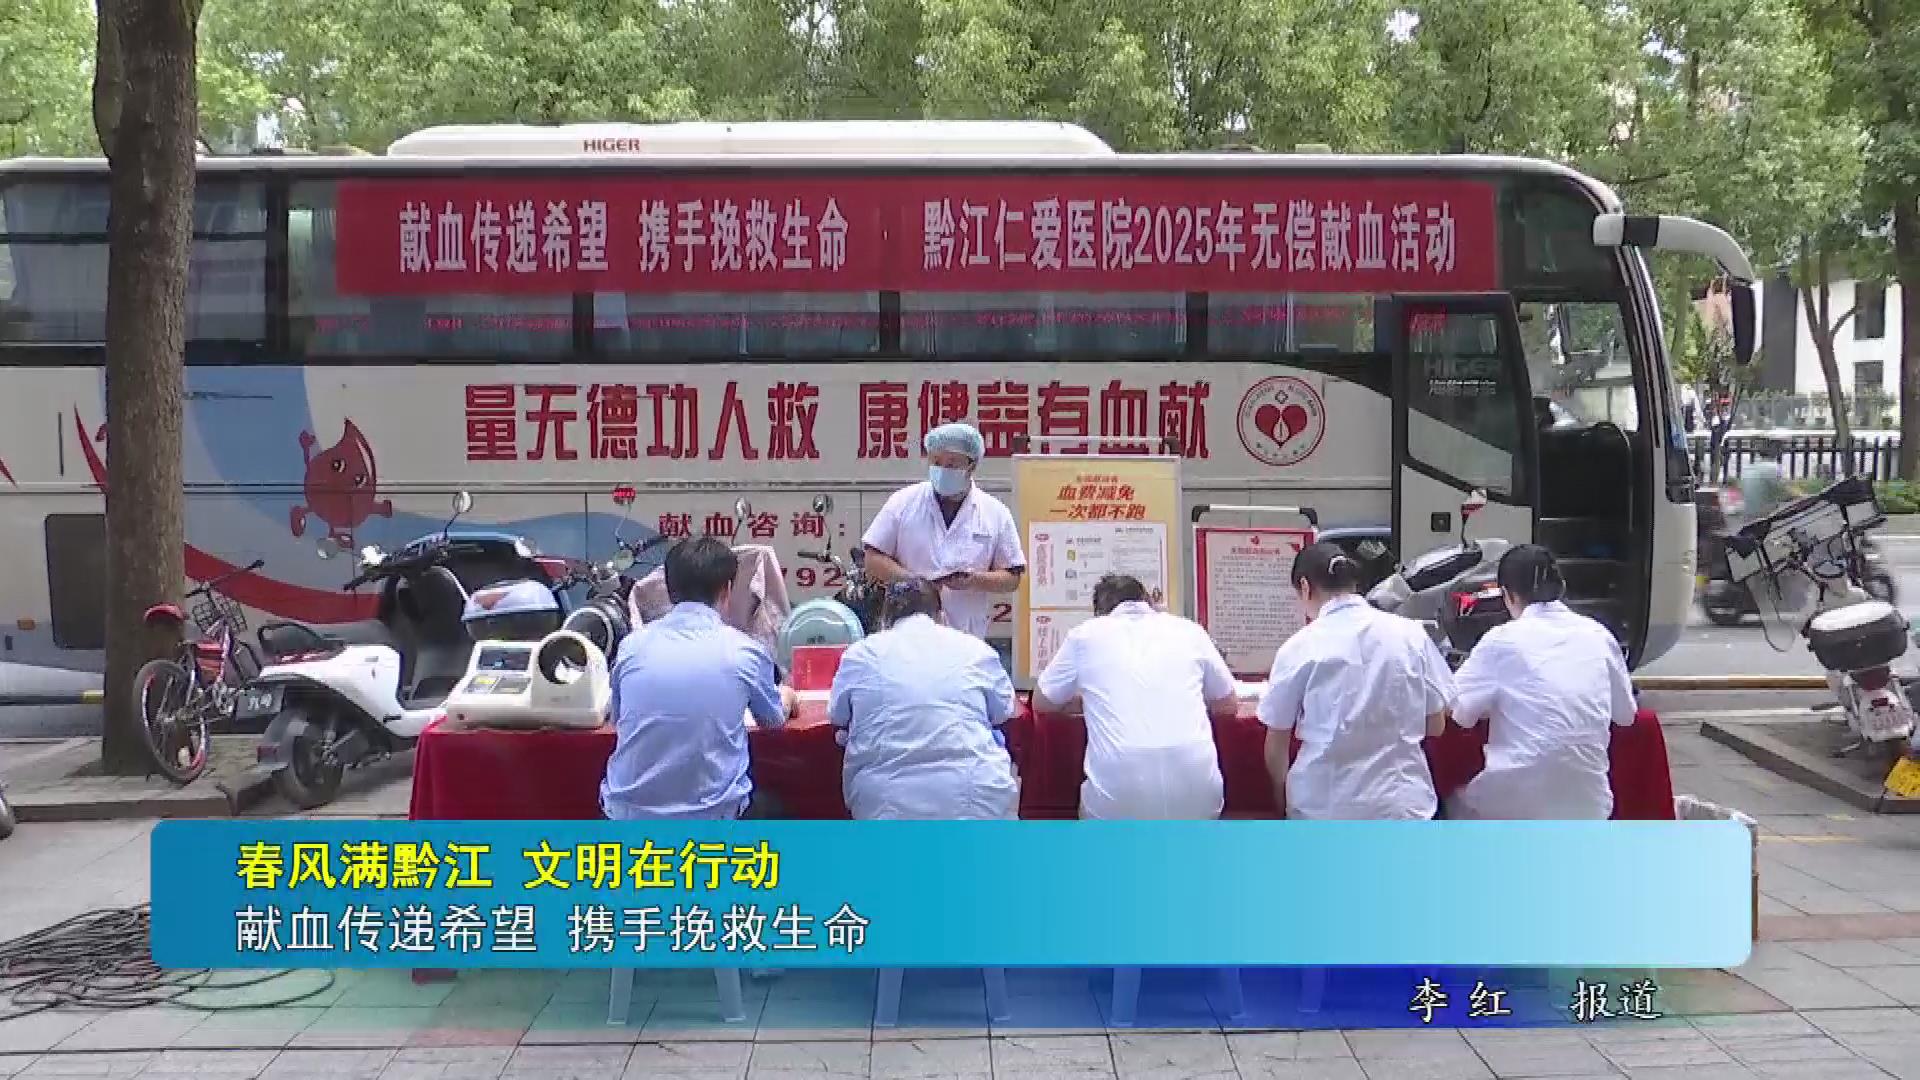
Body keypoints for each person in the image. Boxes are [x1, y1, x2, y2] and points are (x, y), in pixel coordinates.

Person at [600, 537, 797, 820]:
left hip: (624, 819)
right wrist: (787, 694)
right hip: (715, 819)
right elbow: (773, 720)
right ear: (727, 589)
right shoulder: (744, 651)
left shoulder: (632, 647)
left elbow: (617, 719)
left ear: (669, 591)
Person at [1258, 541, 1455, 820]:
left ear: (1305, 586)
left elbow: (1276, 743)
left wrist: (1281, 800)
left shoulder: (1298, 647)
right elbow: (1435, 724)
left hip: (1322, 810)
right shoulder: (1410, 634)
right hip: (1402, 807)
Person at [1446, 545, 1636, 820]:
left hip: (1513, 806)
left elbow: (1459, 714)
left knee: (1450, 803)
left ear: (1507, 594)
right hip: (1590, 807)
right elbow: (1626, 716)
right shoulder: (1599, 634)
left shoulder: (1501, 640)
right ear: (1561, 587)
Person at [1032, 574, 1239, 820]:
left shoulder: (1085, 635)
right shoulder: (1189, 630)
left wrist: (1089, 701)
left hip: (1117, 802)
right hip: (1198, 795)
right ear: (1148, 601)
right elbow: (1228, 703)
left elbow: (1042, 701)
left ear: (1100, 613)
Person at [827, 578, 1018, 820]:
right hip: (976, 799)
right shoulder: (975, 649)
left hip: (884, 807)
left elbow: (837, 715)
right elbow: (1004, 710)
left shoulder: (860, 654)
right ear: (941, 616)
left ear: (884, 620)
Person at [861, 422, 1024, 639]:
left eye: (952, 464)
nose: (943, 470)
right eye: (937, 462)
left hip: (965, 635)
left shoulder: (995, 513)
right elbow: (872, 558)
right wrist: (914, 583)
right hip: (908, 633)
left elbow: (1012, 577)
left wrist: (975, 580)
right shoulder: (903, 502)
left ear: (971, 466)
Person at [1738, 436, 1791, 522]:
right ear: (1775, 449)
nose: (1782, 450)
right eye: (1780, 447)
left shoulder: (1748, 468)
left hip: (1748, 517)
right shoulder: (1775, 468)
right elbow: (1788, 492)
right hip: (1767, 518)